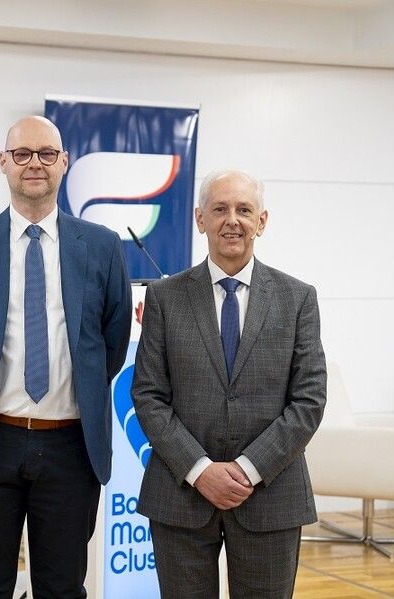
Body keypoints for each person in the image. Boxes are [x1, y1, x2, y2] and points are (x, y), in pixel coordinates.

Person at [0, 116, 132, 598]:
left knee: (62, 589)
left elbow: (112, 342)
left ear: (64, 162)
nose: (34, 164)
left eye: (46, 153)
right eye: (22, 154)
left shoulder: (102, 246)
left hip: (70, 445)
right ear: (3, 162)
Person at [132, 170, 326, 598]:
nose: (232, 220)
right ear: (200, 219)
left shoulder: (298, 298)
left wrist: (247, 470)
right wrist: (200, 471)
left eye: (244, 209)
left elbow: (309, 401)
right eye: (220, 209)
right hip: (181, 495)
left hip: (271, 496)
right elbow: (148, 395)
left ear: (262, 221)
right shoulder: (164, 297)